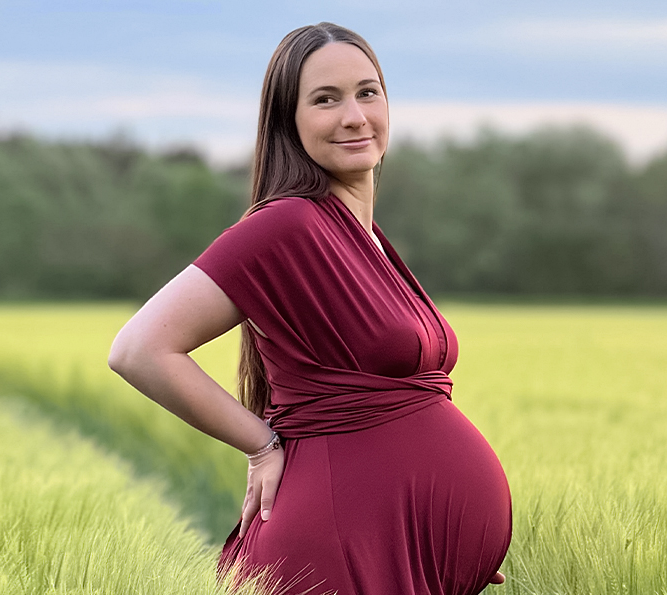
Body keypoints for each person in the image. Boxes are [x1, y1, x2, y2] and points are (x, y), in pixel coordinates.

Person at [108, 22, 512, 595]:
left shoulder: (366, 235)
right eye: (325, 99)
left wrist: (448, 537)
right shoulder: (287, 224)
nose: (354, 115)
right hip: (337, 549)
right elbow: (138, 349)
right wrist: (261, 442)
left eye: (367, 92)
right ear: (287, 123)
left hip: (397, 551)